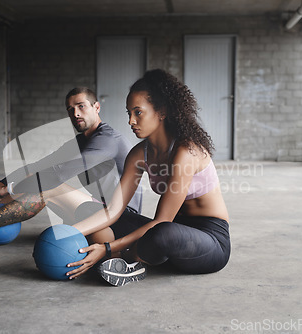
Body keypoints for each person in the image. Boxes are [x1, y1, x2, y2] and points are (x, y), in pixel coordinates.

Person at [0, 87, 142, 250]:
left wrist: (12, 189)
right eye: (70, 109)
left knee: (48, 186)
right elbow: (43, 163)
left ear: (96, 106)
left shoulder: (107, 140)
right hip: (96, 213)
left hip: (119, 219)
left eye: (81, 106)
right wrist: (3, 183)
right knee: (40, 177)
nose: (75, 114)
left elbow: (59, 172)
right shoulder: (82, 140)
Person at [65, 69, 231, 286]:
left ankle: (122, 258)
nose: (131, 121)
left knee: (162, 233)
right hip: (166, 236)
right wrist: (67, 233)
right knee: (93, 210)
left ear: (161, 112)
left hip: (208, 241)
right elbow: (114, 209)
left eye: (138, 112)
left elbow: (163, 220)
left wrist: (107, 247)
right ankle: (125, 261)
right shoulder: (138, 154)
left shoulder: (186, 151)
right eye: (128, 113)